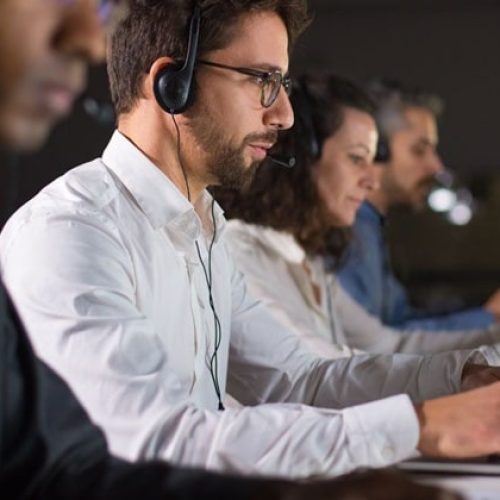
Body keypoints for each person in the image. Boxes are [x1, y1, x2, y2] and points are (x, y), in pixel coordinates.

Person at [2, 0, 500, 482]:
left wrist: (462, 381)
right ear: (171, 85)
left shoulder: (205, 228)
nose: (283, 114)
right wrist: (420, 427)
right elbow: (155, 440)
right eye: (263, 81)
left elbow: (299, 379)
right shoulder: (72, 232)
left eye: (280, 84)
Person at [216, 73, 500, 358]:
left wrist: (477, 355)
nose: (371, 181)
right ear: (303, 158)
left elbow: (386, 346)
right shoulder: (241, 253)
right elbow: (315, 376)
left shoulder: (309, 260)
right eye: (356, 158)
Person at [337, 79, 500, 331]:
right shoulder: (345, 230)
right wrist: (488, 318)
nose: (436, 166)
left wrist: (486, 312)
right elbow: (373, 344)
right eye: (419, 150)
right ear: (376, 149)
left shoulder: (369, 229)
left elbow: (399, 320)